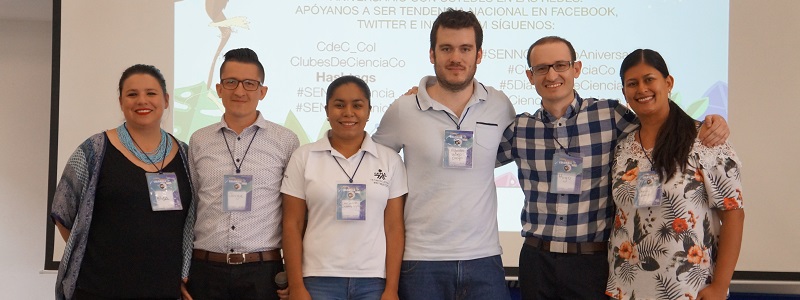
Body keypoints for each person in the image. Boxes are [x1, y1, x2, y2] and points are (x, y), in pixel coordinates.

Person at [496, 36, 730, 299]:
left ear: (577, 69)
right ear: (530, 76)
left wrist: (709, 123)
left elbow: (659, 121)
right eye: (541, 68)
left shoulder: (609, 115)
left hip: (591, 262)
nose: (552, 74)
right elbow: (476, 162)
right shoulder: (520, 129)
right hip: (536, 261)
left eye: (560, 65)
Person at [373, 9, 515, 300]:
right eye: (446, 48)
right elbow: (373, 168)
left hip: (485, 259)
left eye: (465, 49)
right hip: (420, 261)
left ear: (479, 55)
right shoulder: (404, 109)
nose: (455, 58)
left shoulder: (499, 105)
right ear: (432, 54)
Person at [605, 49, 744, 300]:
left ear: (668, 83)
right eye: (632, 83)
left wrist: (720, 286)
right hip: (626, 288)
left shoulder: (705, 140)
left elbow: (733, 215)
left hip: (687, 289)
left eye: (649, 79)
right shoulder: (624, 148)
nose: (642, 89)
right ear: (624, 91)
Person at [51, 64, 194, 299]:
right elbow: (63, 214)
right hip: (98, 289)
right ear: (120, 101)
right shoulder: (94, 150)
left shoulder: (186, 156)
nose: (142, 101)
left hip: (163, 290)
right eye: (132, 94)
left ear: (166, 100)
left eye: (151, 93)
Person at [185, 48, 300, 300]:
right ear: (219, 88)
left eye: (249, 84)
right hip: (205, 271)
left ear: (262, 91)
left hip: (263, 273)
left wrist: (295, 275)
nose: (239, 91)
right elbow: (191, 208)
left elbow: (295, 215)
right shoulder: (199, 140)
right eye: (231, 82)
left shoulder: (286, 141)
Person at [281, 76, 407, 300]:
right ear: (327, 110)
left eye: (357, 105)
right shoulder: (304, 157)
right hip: (318, 280)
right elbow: (292, 224)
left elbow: (394, 228)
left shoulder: (390, 160)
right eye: (339, 105)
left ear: (369, 111)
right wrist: (297, 286)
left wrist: (392, 289)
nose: (348, 112)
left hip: (374, 282)